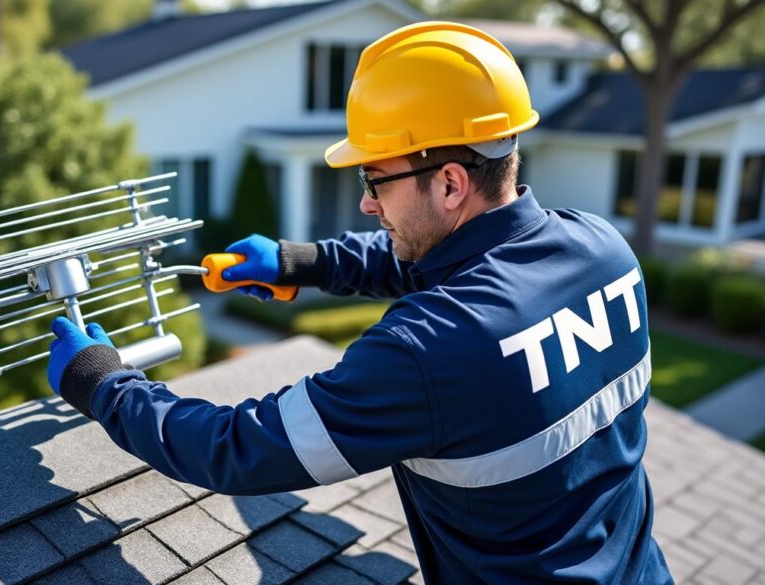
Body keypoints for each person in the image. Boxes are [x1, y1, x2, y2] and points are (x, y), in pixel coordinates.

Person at [47, 21, 673, 583]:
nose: (368, 203)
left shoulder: (428, 352)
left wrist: (105, 384)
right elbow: (455, 269)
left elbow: (237, 449)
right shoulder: (602, 248)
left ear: (451, 182)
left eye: (375, 180)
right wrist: (304, 262)